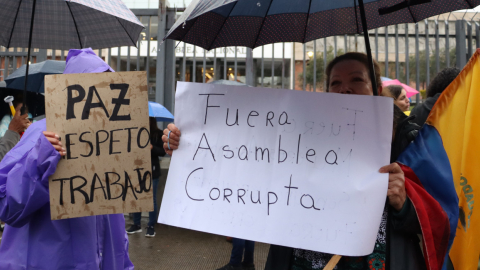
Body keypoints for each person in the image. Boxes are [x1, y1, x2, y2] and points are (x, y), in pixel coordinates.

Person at [162, 52, 450, 270]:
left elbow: (439, 218)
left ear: (376, 89)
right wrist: (187, 146)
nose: (344, 89)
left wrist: (403, 202)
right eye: (335, 83)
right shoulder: (300, 134)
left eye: (356, 80)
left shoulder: (408, 141)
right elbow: (245, 164)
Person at [0, 48, 134, 269]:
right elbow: (6, 207)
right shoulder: (40, 134)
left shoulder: (112, 142)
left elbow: (114, 227)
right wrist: (38, 163)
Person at [126, 117, 166, 237]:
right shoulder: (135, 132)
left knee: (151, 198)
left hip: (152, 171)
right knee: (136, 197)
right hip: (136, 170)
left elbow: (162, 152)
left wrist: (152, 148)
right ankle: (136, 224)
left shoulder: (158, 134)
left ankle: (151, 225)